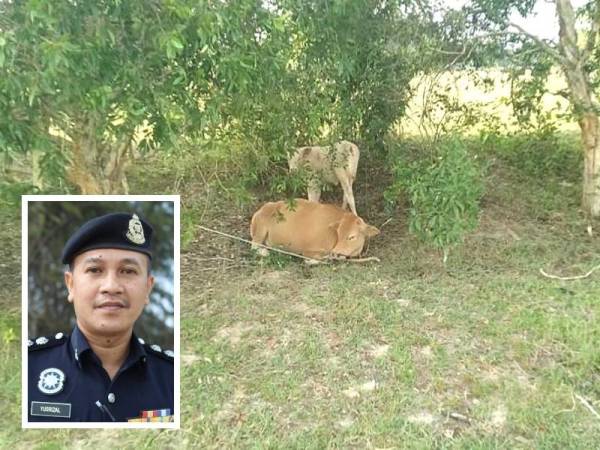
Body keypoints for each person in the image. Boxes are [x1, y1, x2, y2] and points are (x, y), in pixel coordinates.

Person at [28, 212, 174, 422]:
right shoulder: (27, 366)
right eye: (95, 270)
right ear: (70, 284)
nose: (111, 287)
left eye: (128, 271)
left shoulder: (173, 375)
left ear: (148, 288)